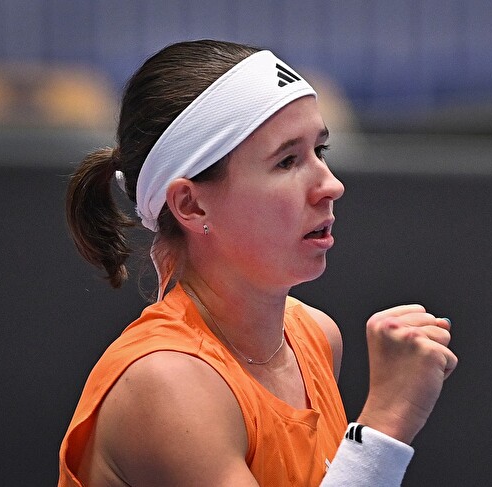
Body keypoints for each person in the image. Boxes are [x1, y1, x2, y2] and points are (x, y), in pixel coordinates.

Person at [59, 39, 457, 487]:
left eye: (320, 151)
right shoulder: (166, 381)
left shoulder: (314, 337)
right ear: (191, 204)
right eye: (287, 161)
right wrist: (385, 423)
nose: (331, 185)